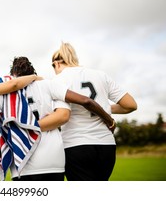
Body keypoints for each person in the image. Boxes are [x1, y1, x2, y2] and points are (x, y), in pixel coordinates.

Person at [0, 56, 115, 181]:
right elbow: (77, 105)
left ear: (12, 74)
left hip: (21, 162)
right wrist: (109, 119)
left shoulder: (2, 93)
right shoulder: (48, 85)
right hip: (54, 159)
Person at [51, 42, 137, 181]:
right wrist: (105, 109)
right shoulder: (101, 75)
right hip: (106, 146)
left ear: (58, 63)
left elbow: (60, 114)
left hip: (75, 145)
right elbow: (130, 105)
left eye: (53, 65)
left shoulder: (57, 80)